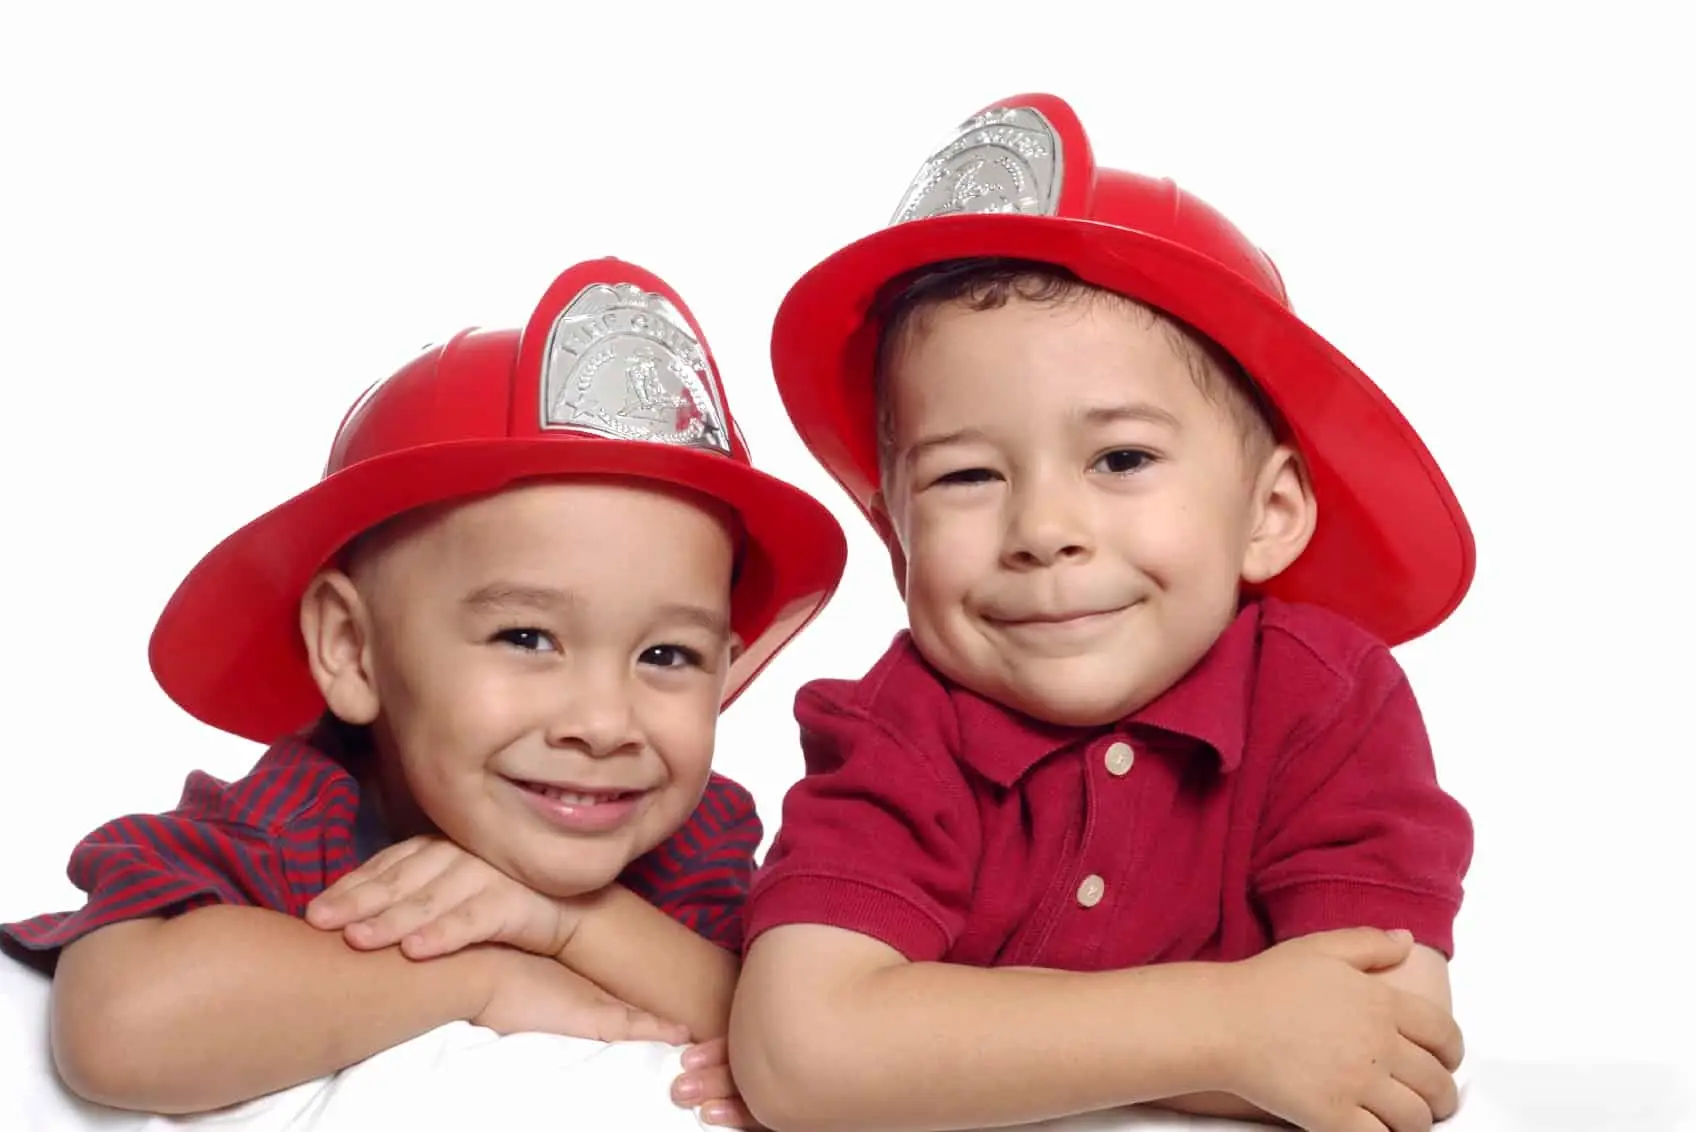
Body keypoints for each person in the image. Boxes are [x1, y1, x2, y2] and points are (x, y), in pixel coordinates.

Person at [729, 93, 1475, 1132]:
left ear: (1267, 513)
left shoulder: (1326, 699)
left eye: (1120, 458)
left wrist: (935, 1046)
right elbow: (800, 1055)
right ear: (896, 538)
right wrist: (1230, 1027)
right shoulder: (900, 723)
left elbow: (1384, 1048)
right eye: (967, 475)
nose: (1042, 526)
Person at [1, 258, 845, 1128]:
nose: (604, 723)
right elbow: (117, 1031)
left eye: (667, 654)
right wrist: (476, 973)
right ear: (353, 649)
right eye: (527, 638)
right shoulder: (299, 821)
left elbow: (810, 1044)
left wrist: (565, 924)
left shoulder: (694, 838)